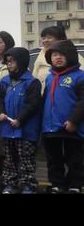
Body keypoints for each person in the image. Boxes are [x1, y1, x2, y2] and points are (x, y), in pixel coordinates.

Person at [0, 48, 41, 194]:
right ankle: (10, 183)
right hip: (8, 128)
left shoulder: (32, 82)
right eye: (7, 62)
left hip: (25, 129)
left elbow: (33, 104)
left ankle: (28, 184)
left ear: (21, 62)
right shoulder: (4, 81)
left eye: (12, 61)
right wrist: (0, 112)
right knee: (9, 158)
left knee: (26, 159)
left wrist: (20, 119)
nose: (9, 65)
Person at [41, 40, 84, 194]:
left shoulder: (79, 76)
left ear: (70, 56)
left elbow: (82, 102)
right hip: (50, 127)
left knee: (74, 159)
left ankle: (75, 184)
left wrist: (73, 120)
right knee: (54, 159)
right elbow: (45, 99)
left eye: (61, 54)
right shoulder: (49, 77)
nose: (57, 58)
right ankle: (57, 184)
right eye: (54, 55)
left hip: (72, 127)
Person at [0, 30, 16, 190]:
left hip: (6, 106)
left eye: (0, 42)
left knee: (5, 141)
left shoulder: (13, 61)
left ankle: (9, 174)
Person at [32, 26, 84, 92]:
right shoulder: (39, 57)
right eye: (43, 38)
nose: (45, 40)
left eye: (49, 38)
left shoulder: (74, 58)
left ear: (61, 39)